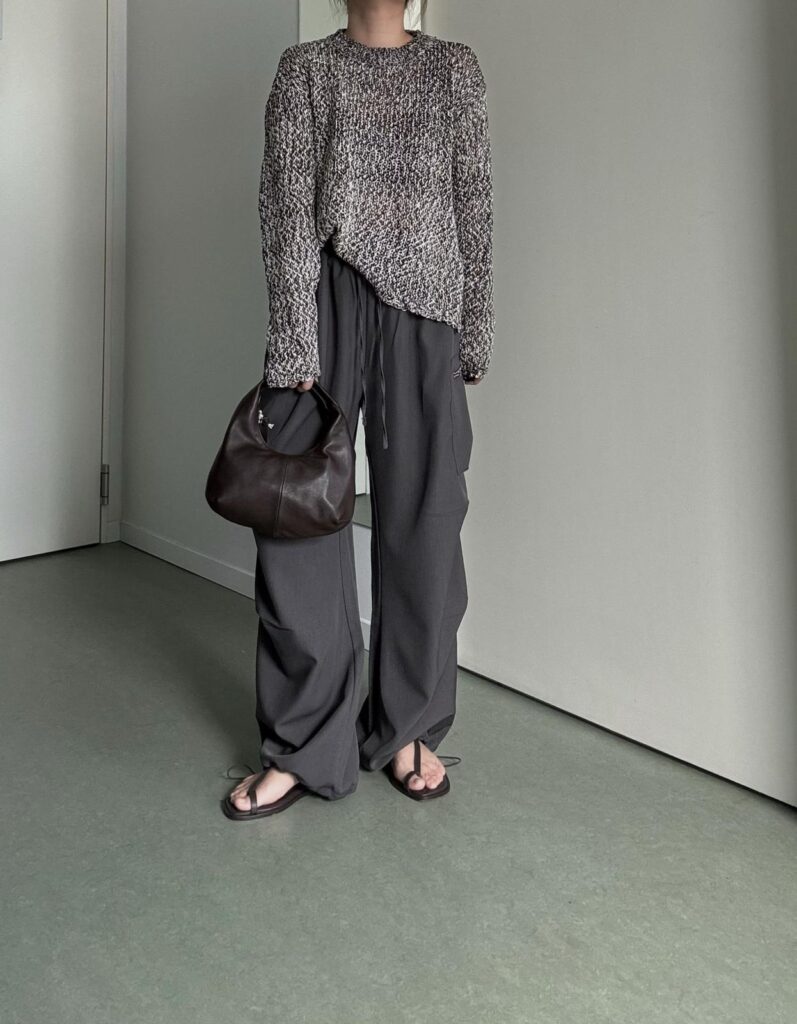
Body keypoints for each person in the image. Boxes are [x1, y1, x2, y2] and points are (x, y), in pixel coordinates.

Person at [223, 0, 494, 820]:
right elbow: (284, 209)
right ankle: (303, 743)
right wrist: (291, 334)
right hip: (324, 302)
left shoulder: (453, 68)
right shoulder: (305, 70)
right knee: (296, 518)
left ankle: (409, 726)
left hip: (428, 312)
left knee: (427, 514)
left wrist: (475, 326)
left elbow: (473, 203)